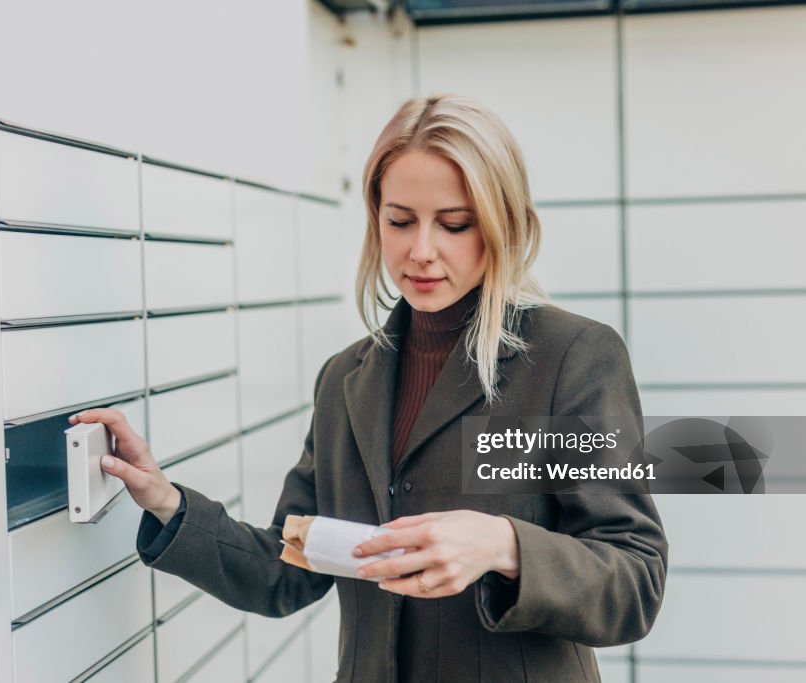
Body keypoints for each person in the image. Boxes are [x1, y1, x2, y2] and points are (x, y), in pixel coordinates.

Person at [69, 93, 668, 682]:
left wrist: (502, 545)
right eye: (399, 221)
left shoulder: (572, 357)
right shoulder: (344, 380)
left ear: (501, 225)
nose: (421, 251)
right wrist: (168, 503)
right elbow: (290, 567)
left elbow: (634, 580)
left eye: (454, 224)